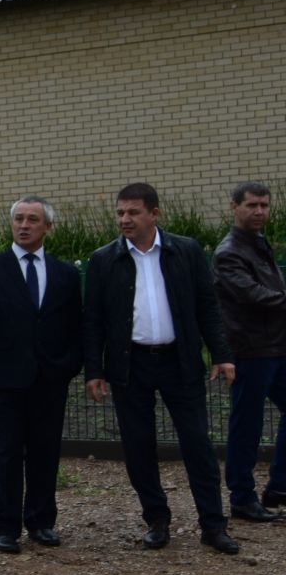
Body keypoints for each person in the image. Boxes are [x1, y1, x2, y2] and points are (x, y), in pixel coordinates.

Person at [82, 182, 239, 554]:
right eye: (120, 212)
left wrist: (221, 353)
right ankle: (156, 519)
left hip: (179, 360)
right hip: (129, 364)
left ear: (154, 213)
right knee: (138, 446)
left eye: (133, 212)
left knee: (197, 443)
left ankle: (213, 525)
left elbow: (207, 307)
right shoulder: (104, 260)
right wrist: (94, 370)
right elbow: (93, 321)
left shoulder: (184, 251)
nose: (125, 219)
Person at [0, 197, 85, 552]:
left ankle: (41, 522)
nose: (24, 225)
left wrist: (70, 365)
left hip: (50, 378)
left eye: (32, 220)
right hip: (4, 378)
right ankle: (5, 527)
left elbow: (76, 325)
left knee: (45, 451)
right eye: (19, 219)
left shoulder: (66, 273)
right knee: (6, 453)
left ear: (47, 227)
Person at [212, 181, 286, 522]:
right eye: (252, 205)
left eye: (264, 206)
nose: (259, 211)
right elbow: (253, 295)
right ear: (234, 207)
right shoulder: (229, 252)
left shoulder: (257, 243)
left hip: (275, 346)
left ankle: (279, 487)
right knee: (247, 424)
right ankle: (242, 497)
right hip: (250, 349)